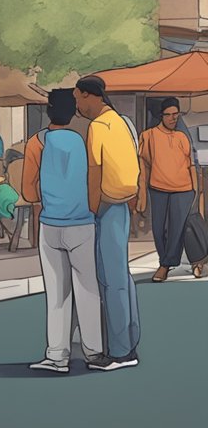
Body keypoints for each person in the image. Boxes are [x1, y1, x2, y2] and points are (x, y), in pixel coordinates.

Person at [22, 89, 109, 374]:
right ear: (73, 111)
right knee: (88, 288)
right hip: (82, 222)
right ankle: (94, 352)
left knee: (57, 294)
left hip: (51, 223)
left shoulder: (36, 143)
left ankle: (57, 355)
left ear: (48, 110)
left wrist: (45, 196)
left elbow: (27, 190)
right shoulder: (81, 141)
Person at [75, 75, 141, 370]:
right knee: (122, 277)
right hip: (123, 203)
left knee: (111, 280)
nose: (78, 104)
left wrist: (89, 210)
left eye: (79, 98)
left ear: (90, 96)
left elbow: (94, 172)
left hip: (105, 206)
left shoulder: (98, 127)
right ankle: (130, 340)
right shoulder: (123, 122)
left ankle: (119, 352)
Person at [139, 97, 198, 282]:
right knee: (158, 229)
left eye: (176, 114)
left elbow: (191, 165)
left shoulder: (182, 137)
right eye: (169, 115)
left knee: (176, 230)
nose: (173, 118)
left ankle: (165, 265)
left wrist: (196, 191)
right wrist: (141, 192)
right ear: (161, 115)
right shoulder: (148, 136)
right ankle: (165, 261)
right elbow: (144, 166)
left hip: (184, 189)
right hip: (157, 188)